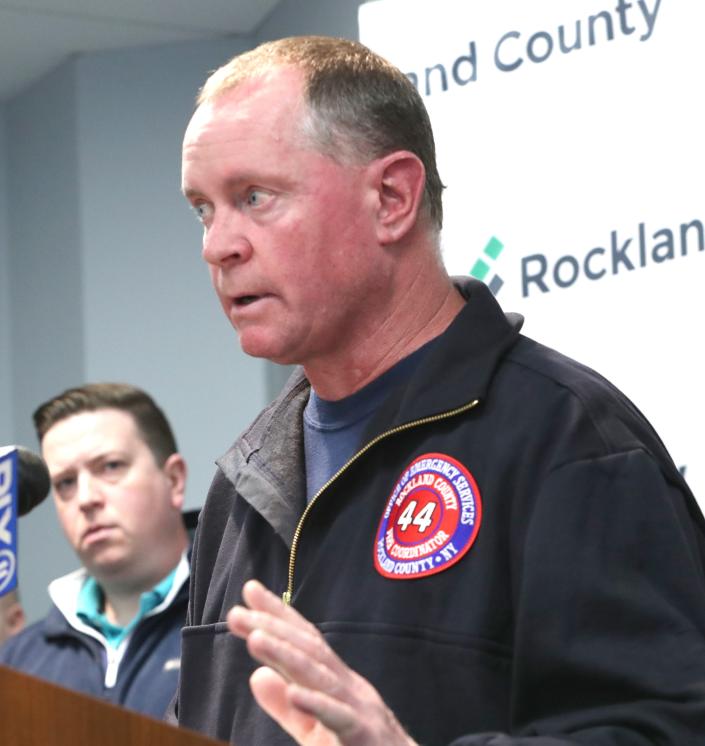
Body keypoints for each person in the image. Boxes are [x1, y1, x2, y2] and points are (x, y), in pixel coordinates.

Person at [174, 36, 705, 745]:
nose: (218, 245)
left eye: (254, 197)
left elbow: (666, 729)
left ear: (391, 198)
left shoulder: (569, 437)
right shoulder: (239, 487)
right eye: (203, 210)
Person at [0, 383, 190, 719]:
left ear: (174, 479)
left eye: (110, 467)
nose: (86, 498)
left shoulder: (238, 623)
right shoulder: (20, 661)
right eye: (66, 483)